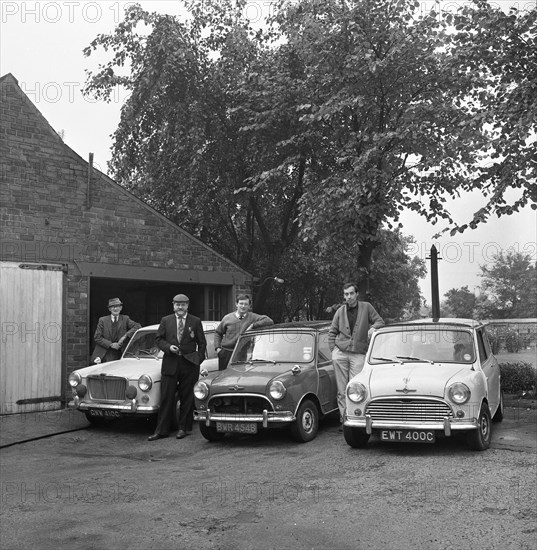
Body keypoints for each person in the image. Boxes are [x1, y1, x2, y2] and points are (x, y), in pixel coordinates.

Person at [148, 294, 207, 441]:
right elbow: (158, 339)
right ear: (173, 305)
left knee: (187, 398)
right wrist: (168, 347)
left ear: (187, 306)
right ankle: (161, 431)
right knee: (167, 397)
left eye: (183, 305)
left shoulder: (195, 321)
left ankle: (184, 428)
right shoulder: (165, 320)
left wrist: (197, 360)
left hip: (189, 364)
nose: (180, 307)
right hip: (170, 363)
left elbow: (202, 343)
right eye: (177, 305)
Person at [328, 282, 384, 430]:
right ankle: (344, 420)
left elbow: (380, 321)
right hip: (340, 354)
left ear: (357, 294)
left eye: (351, 293)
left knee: (356, 388)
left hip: (358, 354)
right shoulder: (340, 311)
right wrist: (333, 351)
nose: (349, 297)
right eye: (346, 294)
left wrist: (373, 328)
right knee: (341, 390)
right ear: (344, 296)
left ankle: (356, 419)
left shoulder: (366, 307)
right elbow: (332, 332)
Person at [214, 294, 274, 370]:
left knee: (239, 378)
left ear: (249, 306)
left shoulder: (252, 317)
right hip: (226, 353)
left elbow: (269, 321)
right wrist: (218, 349)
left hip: (241, 354)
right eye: (241, 303)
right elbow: (218, 333)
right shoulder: (227, 318)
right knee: (224, 379)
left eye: (246, 304)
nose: (243, 306)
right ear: (236, 304)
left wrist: (253, 325)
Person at [91, 298, 140, 364]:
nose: (115, 309)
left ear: (121, 308)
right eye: (113, 307)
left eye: (117, 306)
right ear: (109, 309)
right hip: (106, 352)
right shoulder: (103, 320)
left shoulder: (125, 319)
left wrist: (124, 336)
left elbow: (137, 326)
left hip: (121, 352)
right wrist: (111, 344)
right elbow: (97, 337)